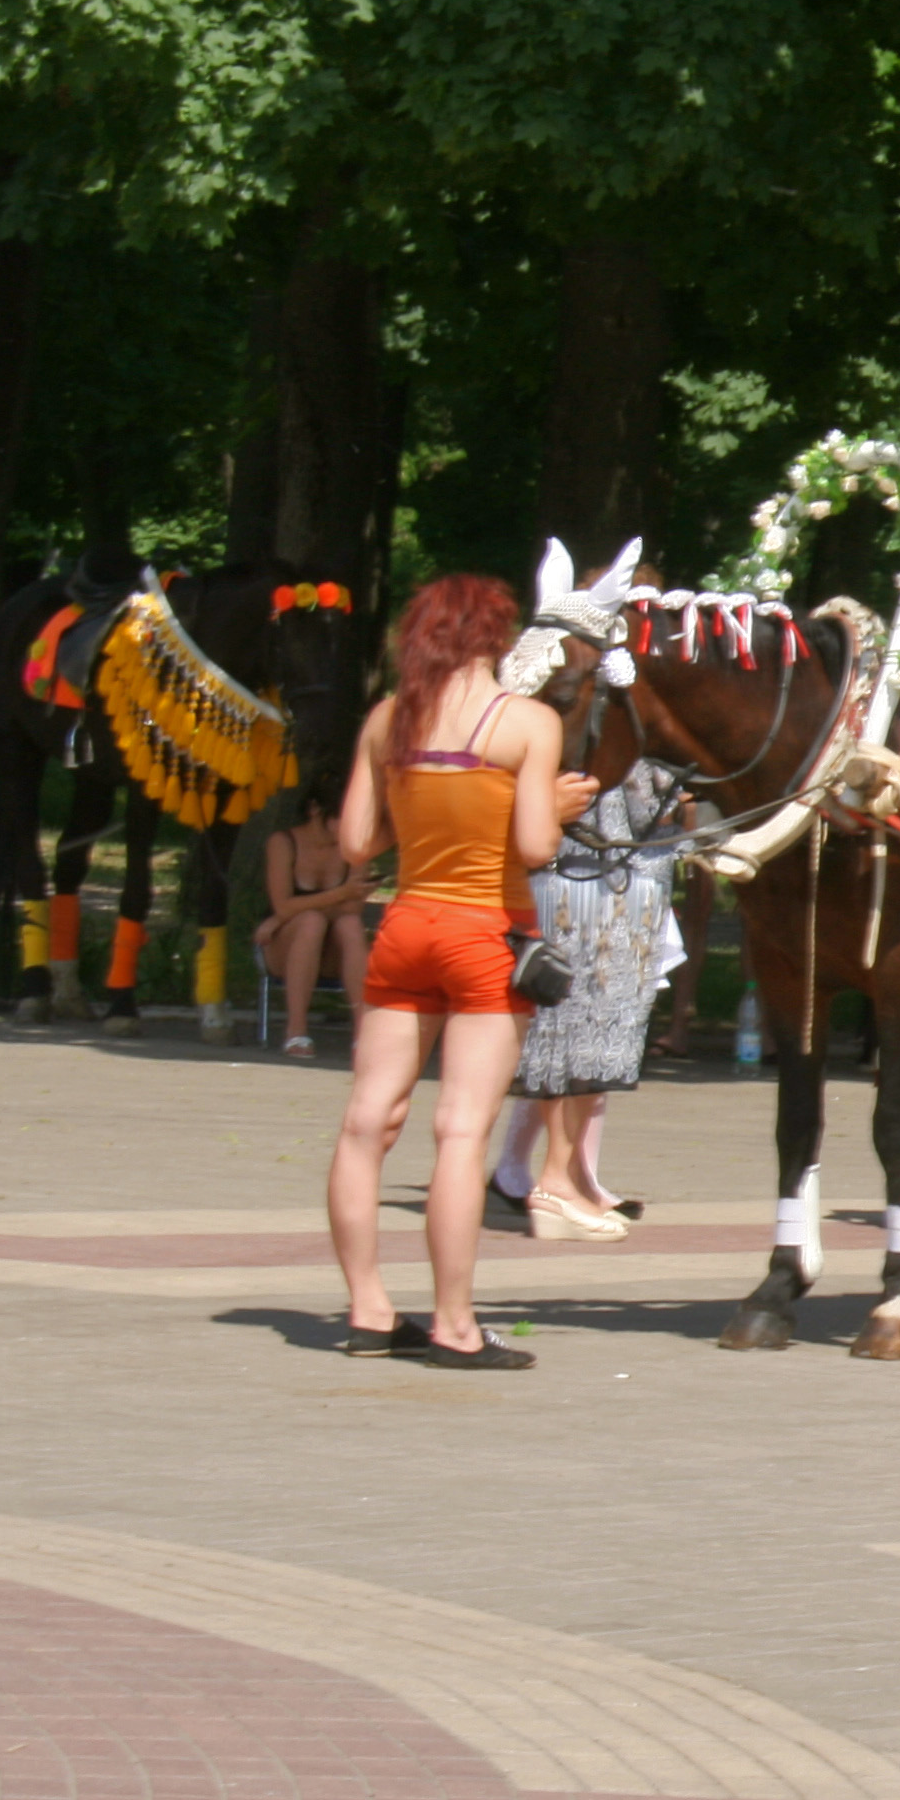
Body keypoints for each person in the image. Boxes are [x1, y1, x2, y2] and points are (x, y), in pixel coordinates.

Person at [322, 573, 595, 1369]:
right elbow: (539, 847)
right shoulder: (526, 724)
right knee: (460, 1131)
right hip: (485, 932)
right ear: (496, 636)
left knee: (366, 1121)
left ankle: (369, 1310)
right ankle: (454, 1324)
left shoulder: (387, 720)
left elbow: (354, 842)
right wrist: (557, 804)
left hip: (405, 925)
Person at [488, 754, 691, 1241]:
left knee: (602, 1036)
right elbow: (633, 810)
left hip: (622, 877)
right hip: (582, 879)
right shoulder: (573, 727)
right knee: (571, 1035)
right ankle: (553, 1178)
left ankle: (572, 1175)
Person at [256, 803, 373, 1059]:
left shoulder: (354, 846)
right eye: (342, 817)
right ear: (315, 810)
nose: (349, 826)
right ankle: (296, 1030)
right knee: (311, 922)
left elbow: (351, 908)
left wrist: (281, 917)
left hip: (333, 950)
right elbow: (283, 904)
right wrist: (340, 894)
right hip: (286, 948)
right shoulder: (284, 842)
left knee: (350, 924)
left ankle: (365, 1033)